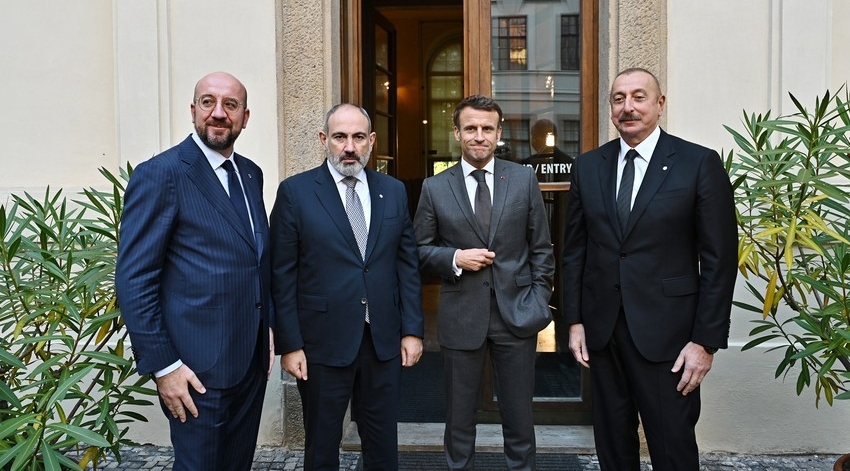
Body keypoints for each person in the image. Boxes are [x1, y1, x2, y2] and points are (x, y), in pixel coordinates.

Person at [561, 67, 737, 471]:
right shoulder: (588, 166)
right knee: (612, 447)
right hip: (603, 333)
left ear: (660, 104)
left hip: (670, 338)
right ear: (611, 108)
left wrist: (705, 342)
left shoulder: (698, 163)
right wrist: (575, 321)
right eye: (619, 98)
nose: (628, 107)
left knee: (672, 448)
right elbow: (575, 252)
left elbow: (719, 260)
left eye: (639, 97)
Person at [116, 72, 275, 471]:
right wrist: (165, 367)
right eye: (208, 102)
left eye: (230, 105)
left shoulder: (250, 174)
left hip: (249, 364)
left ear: (245, 117)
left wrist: (269, 327)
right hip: (194, 372)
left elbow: (256, 260)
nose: (219, 113)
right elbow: (134, 280)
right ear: (193, 111)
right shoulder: (162, 174)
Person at [269, 103, 424, 471]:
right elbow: (281, 274)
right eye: (340, 137)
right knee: (322, 446)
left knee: (382, 445)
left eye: (358, 137)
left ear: (372, 140)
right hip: (321, 343)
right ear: (324, 139)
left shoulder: (393, 191)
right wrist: (290, 344)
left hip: (382, 341)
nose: (349, 147)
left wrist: (412, 330)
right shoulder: (296, 192)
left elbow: (407, 266)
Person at [413, 94, 555, 471]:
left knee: (519, 419)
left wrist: (539, 299)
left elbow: (541, 247)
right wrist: (454, 258)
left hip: (517, 315)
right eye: (471, 128)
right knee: (459, 420)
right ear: (457, 133)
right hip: (461, 316)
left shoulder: (523, 179)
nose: (479, 136)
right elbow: (418, 250)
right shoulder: (434, 187)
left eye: (487, 129)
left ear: (499, 133)